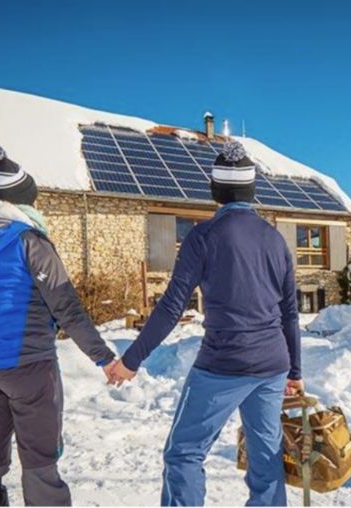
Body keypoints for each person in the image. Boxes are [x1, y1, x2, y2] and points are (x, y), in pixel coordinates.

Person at [106, 140, 303, 506]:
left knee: (184, 453)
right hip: (272, 364)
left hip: (223, 365)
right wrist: (294, 370)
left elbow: (170, 307)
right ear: (251, 189)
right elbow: (290, 313)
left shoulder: (203, 236)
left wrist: (131, 361)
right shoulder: (276, 240)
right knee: (265, 456)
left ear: (215, 190)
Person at [0, 144, 116, 506]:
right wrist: (104, 357)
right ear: (21, 202)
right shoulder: (30, 242)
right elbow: (67, 308)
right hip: (28, 364)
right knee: (40, 458)